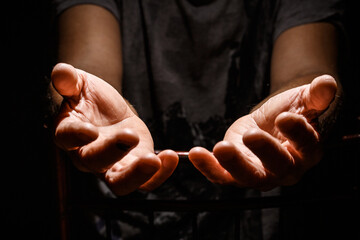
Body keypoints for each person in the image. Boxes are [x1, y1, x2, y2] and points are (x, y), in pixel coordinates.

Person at [50, 0, 345, 239]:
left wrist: (306, 109)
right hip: (121, 227)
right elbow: (83, 67)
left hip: (253, 224)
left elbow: (311, 75)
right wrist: (81, 100)